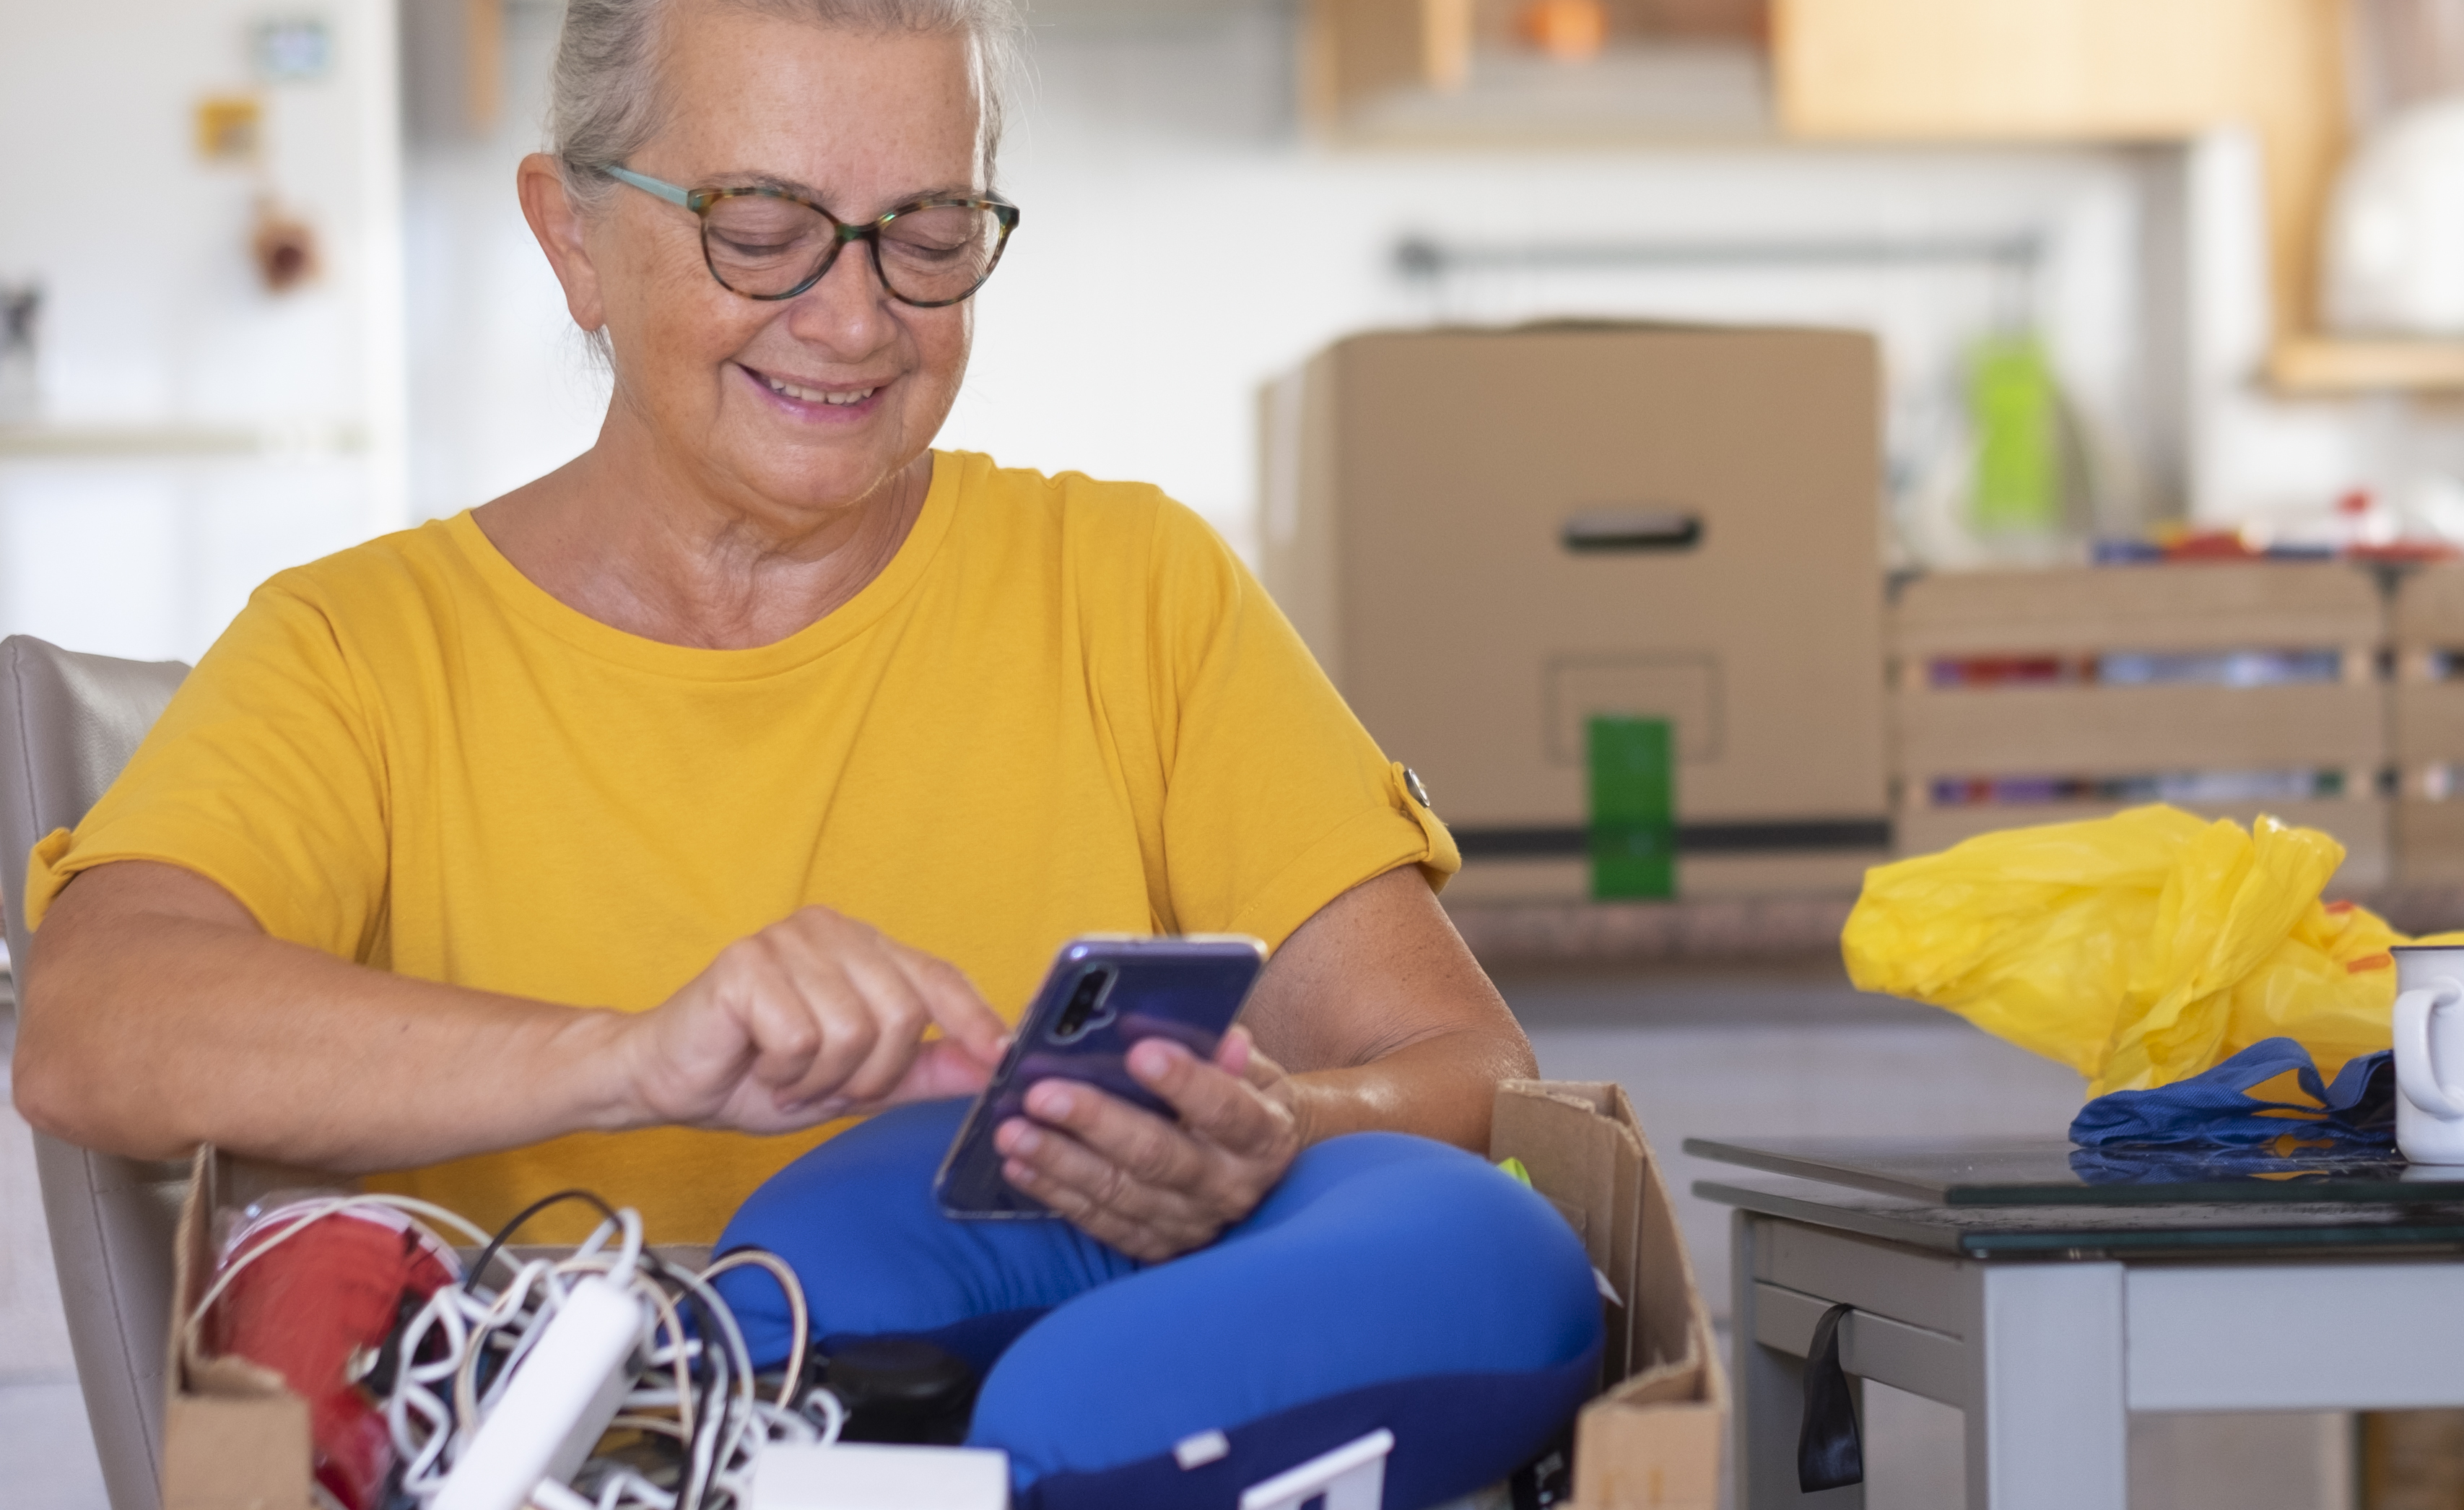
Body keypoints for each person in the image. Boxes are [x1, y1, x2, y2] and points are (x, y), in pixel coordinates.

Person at [9, 0, 1595, 1502]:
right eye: (759, 232)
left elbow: (1472, 1071)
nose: (853, 320)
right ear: (574, 236)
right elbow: (90, 1022)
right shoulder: (358, 649)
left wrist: (1272, 1136)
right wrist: (631, 1054)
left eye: (930, 236)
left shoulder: (1134, 590)